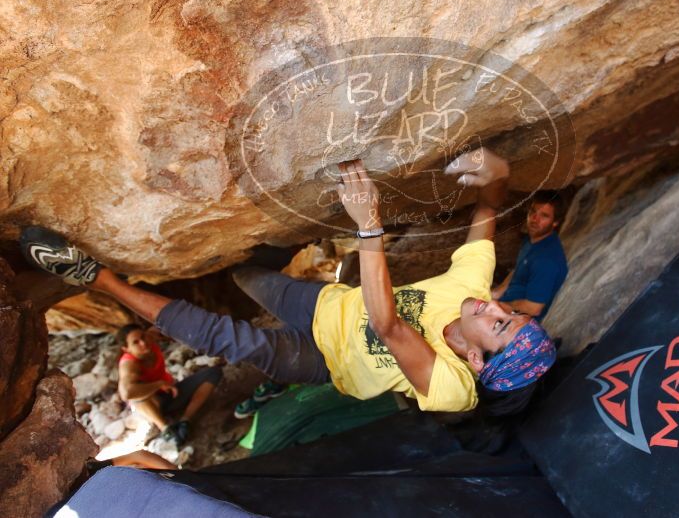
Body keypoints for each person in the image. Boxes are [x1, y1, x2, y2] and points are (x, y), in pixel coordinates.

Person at [21, 147, 556, 414]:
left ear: (479, 360)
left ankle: (102, 280)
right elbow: (488, 209)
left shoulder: (455, 390)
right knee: (246, 275)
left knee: (227, 339)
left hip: (324, 361)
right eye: (507, 313)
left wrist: (367, 223)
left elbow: (390, 328)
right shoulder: (470, 295)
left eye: (499, 326)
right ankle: (227, 265)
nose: (492, 308)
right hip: (325, 304)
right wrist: (501, 174)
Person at [116, 324, 222, 444]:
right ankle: (166, 429)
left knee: (213, 373)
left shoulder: (150, 338)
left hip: (172, 392)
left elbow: (166, 325)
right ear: (126, 349)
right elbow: (126, 393)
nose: (143, 343)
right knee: (136, 397)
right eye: (136, 342)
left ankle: (185, 420)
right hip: (154, 406)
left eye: (143, 337)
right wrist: (158, 384)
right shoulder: (129, 364)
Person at [491, 190, 568, 321]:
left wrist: (496, 306)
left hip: (515, 322)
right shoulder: (533, 239)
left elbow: (533, 308)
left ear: (555, 222)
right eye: (533, 212)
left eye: (544, 216)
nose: (534, 219)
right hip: (505, 304)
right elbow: (519, 269)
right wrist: (496, 292)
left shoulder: (547, 260)